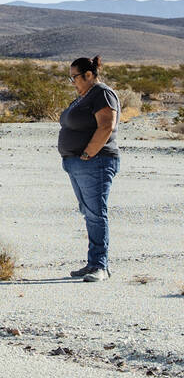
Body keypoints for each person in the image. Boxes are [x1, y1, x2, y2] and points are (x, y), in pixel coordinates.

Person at [58, 55, 120, 282]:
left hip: (95, 162)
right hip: (78, 164)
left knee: (96, 214)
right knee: (89, 213)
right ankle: (93, 262)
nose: (72, 81)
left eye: (74, 77)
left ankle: (100, 266)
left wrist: (87, 154)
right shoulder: (83, 97)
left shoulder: (102, 93)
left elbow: (106, 126)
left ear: (89, 75)